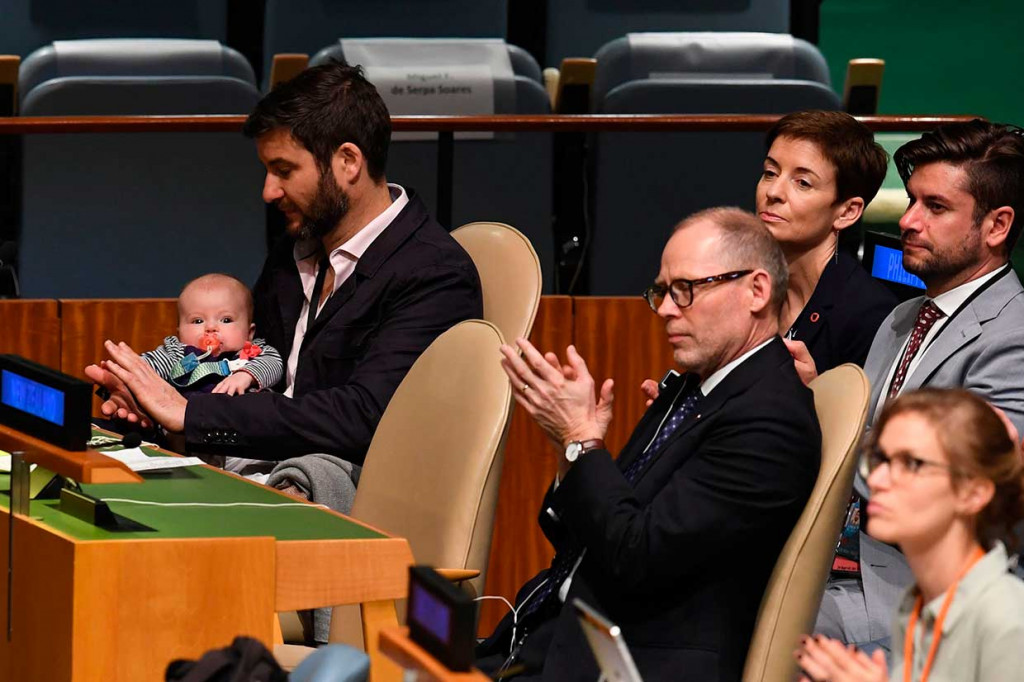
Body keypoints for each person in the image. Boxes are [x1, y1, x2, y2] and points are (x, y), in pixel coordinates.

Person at [477, 207, 821, 681]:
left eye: (686, 290)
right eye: (661, 291)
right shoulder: (694, 387)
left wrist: (582, 440)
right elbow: (584, 540)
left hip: (629, 663)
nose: (664, 309)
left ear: (756, 291)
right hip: (550, 635)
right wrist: (570, 451)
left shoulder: (769, 422)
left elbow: (633, 560)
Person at [85, 62, 482, 465]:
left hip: (328, 492)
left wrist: (190, 413)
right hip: (246, 465)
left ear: (348, 161)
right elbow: (251, 361)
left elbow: (364, 416)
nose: (268, 192)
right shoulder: (297, 246)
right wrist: (153, 402)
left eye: (284, 170)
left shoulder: (434, 274)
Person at [785, 119, 1024, 652]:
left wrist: (832, 417)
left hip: (910, 588)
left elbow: (960, 488)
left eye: (935, 208)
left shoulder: (1015, 337)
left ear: (997, 225)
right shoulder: (904, 317)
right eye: (912, 201)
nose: (909, 221)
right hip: (834, 557)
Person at [796, 388, 1024, 682]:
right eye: (880, 461)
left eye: (912, 464)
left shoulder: (1004, 620)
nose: (876, 480)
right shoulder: (918, 603)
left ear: (974, 492)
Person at [757, 110, 897, 372]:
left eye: (802, 183)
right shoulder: (747, 286)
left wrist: (814, 396)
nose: (773, 192)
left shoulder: (869, 316)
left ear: (847, 212)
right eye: (770, 172)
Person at [134, 273, 282, 398]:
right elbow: (147, 366)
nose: (210, 328)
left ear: (249, 333)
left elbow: (274, 364)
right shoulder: (178, 355)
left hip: (242, 421)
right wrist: (127, 371)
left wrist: (246, 375)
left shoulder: (253, 354)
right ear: (180, 333)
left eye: (226, 320)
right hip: (186, 420)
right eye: (197, 321)